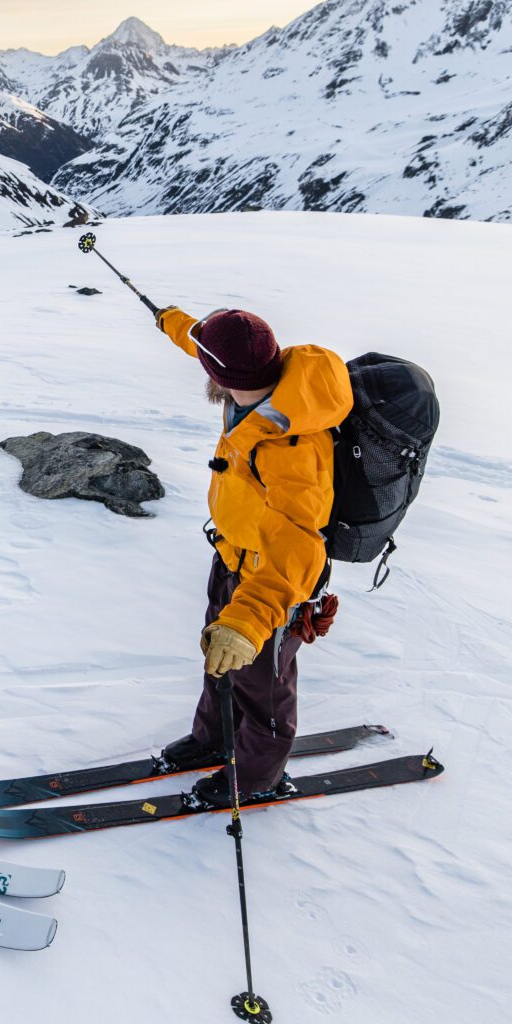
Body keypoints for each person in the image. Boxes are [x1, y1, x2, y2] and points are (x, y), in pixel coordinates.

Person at [151, 306, 353, 804]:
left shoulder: (291, 446)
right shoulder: (258, 381)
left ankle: (259, 776)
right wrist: (170, 320)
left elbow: (298, 543)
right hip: (232, 557)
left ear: (220, 377)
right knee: (219, 660)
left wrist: (250, 619)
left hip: (273, 583)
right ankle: (214, 739)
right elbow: (203, 343)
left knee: (264, 684)